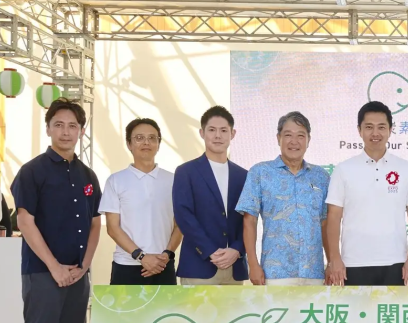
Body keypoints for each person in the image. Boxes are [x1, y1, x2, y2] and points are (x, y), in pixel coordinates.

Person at [10, 98, 102, 323]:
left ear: (81, 131)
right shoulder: (32, 171)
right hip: (42, 271)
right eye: (59, 125)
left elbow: (95, 223)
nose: (66, 131)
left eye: (72, 125)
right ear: (48, 128)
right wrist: (54, 267)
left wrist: (84, 265)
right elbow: (25, 220)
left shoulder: (87, 175)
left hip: (78, 272)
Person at [325, 101, 408, 286]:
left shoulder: (407, 169)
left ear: (390, 130)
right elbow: (334, 217)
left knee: (393, 307)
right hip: (353, 262)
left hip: (396, 262)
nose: (375, 133)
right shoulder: (343, 169)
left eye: (381, 127)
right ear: (359, 130)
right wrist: (334, 259)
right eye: (369, 127)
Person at [237, 111, 330, 286]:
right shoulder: (260, 172)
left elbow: (325, 223)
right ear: (278, 138)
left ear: (308, 140)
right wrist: (253, 264)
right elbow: (249, 221)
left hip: (314, 273)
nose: (294, 141)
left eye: (300, 136)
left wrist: (331, 263)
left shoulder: (321, 177)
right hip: (275, 274)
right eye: (288, 135)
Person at [99, 118, 181, 286]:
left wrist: (167, 254)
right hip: (126, 265)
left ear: (159, 144)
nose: (146, 142)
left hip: (163, 265)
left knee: (165, 305)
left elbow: (179, 225)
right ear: (129, 144)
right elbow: (113, 228)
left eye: (152, 138)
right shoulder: (116, 181)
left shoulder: (174, 180)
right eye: (139, 138)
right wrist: (141, 257)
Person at [172, 106, 248, 285]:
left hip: (234, 266)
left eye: (224, 130)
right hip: (199, 266)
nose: (218, 136)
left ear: (233, 134)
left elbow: (248, 218)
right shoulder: (186, 172)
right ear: (202, 133)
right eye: (212, 130)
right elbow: (183, 216)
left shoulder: (244, 175)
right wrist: (210, 251)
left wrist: (237, 250)